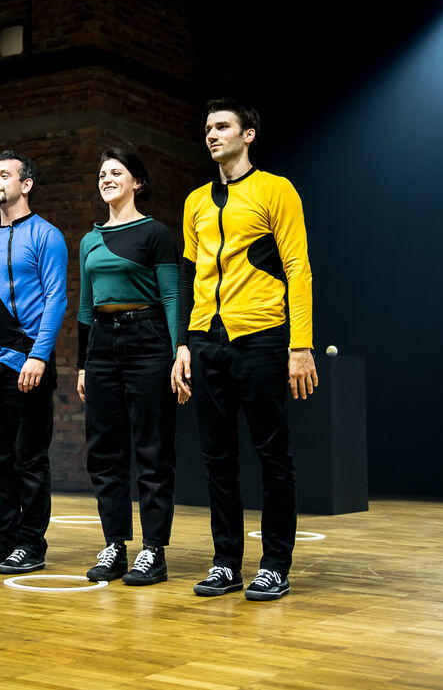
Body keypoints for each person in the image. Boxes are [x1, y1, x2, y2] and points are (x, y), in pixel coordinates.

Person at [171, 98, 317, 601]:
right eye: (207, 128)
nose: (211, 135)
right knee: (217, 458)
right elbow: (188, 275)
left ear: (247, 134)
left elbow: (298, 268)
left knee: (273, 454)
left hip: (261, 335)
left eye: (222, 126)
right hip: (205, 340)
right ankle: (226, 562)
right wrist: (183, 343)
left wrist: (301, 345)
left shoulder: (276, 189)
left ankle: (275, 564)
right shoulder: (195, 201)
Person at [0, 151, 67, 574]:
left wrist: (39, 355)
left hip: (27, 363)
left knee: (30, 459)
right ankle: (3, 540)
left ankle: (30, 545)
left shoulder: (46, 235)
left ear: (26, 184)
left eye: (4, 174)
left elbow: (56, 298)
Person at [76, 148, 182, 586]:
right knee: (104, 449)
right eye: (102, 173)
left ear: (137, 182)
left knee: (152, 448)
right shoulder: (89, 240)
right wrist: (82, 365)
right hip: (101, 344)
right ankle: (115, 544)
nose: (106, 178)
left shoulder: (155, 232)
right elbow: (86, 307)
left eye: (116, 172)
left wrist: (178, 352)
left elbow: (172, 296)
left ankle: (153, 550)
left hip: (148, 338)